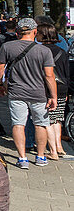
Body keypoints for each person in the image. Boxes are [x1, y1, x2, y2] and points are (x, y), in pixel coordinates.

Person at [0, 17, 58, 168]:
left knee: (18, 124)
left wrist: (0, 85)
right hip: (39, 94)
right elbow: (49, 76)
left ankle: (22, 158)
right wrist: (53, 97)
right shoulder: (44, 50)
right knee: (40, 125)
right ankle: (41, 157)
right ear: (35, 32)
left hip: (16, 92)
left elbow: (0, 68)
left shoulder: (7, 47)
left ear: (17, 32)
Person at [37, 22, 74, 160]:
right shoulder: (62, 52)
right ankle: (59, 147)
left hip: (47, 88)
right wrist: (67, 91)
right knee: (57, 119)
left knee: (48, 120)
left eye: (38, 32)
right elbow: (66, 73)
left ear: (43, 34)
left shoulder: (39, 50)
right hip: (62, 87)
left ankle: (53, 152)